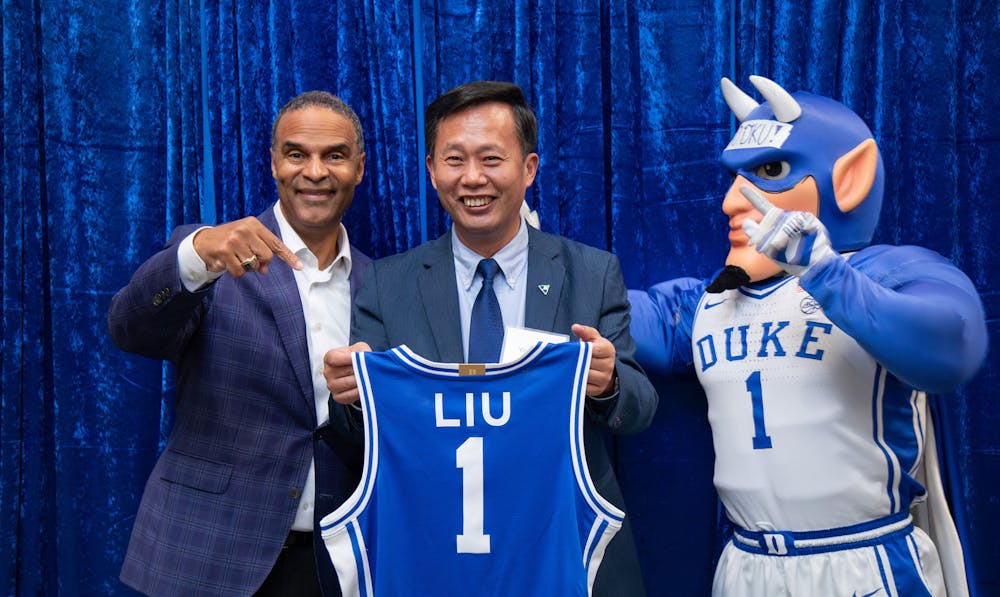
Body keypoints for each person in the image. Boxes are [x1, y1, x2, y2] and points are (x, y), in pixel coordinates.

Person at [629, 76, 988, 597]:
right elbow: (609, 313)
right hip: (747, 564)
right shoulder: (705, 302)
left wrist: (826, 273)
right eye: (736, 178)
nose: (733, 201)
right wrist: (529, 257)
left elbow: (953, 346)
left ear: (849, 178)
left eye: (769, 172)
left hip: (862, 563)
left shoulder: (886, 274)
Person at [322, 80, 657, 596]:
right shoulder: (388, 283)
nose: (472, 178)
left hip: (561, 548)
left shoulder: (590, 271)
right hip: (438, 551)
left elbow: (640, 409)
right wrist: (356, 398)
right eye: (454, 160)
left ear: (528, 169)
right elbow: (355, 438)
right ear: (432, 170)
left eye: (491, 159)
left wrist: (608, 383)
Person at [108, 90, 371, 597]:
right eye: (297, 154)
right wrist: (193, 257)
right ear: (273, 164)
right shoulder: (213, 256)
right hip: (210, 555)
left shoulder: (381, 283)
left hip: (336, 568)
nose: (314, 171)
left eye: (334, 155)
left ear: (359, 168)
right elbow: (130, 328)